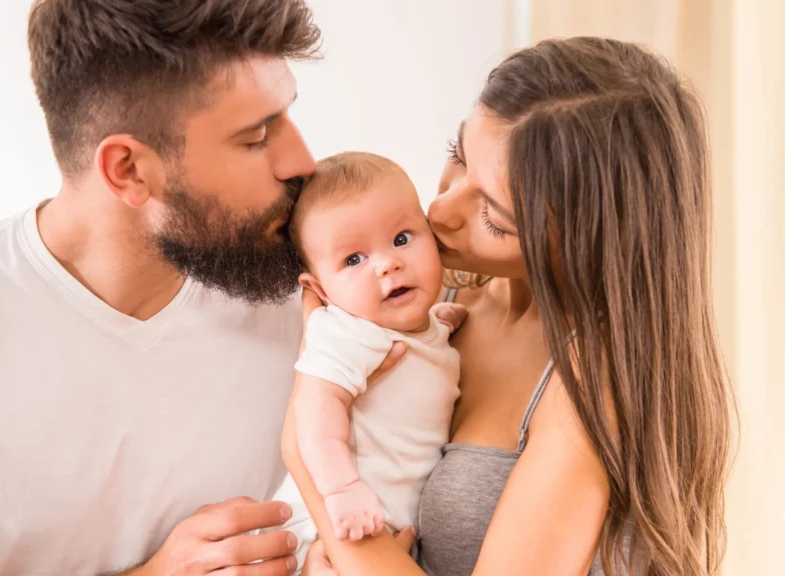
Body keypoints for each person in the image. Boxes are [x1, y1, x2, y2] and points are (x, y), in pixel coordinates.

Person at [0, 1, 385, 575]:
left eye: (286, 116)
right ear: (127, 169)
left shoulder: (309, 280)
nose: (303, 162)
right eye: (257, 137)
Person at [285, 37, 733, 576]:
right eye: (458, 156)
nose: (441, 209)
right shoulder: (434, 298)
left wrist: (337, 520)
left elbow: (306, 441)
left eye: (494, 216)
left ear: (586, 240)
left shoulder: (597, 383)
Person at [273, 152, 465, 566]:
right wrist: (341, 489)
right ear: (320, 290)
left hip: (379, 531)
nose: (387, 264)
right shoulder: (346, 332)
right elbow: (315, 407)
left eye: (402, 238)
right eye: (353, 259)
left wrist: (439, 323)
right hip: (324, 524)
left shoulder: (410, 325)